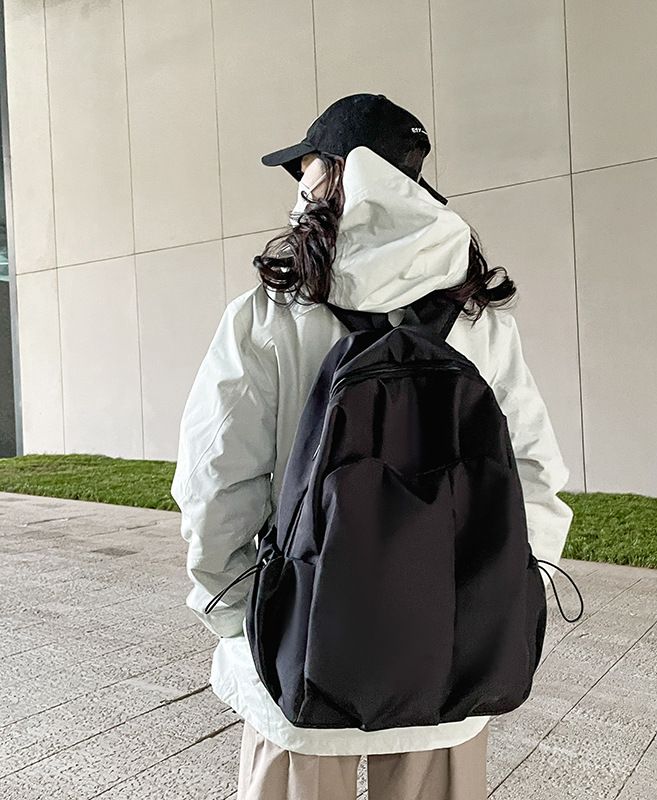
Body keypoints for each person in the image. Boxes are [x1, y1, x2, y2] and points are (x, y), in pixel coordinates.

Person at [171, 93, 573, 800]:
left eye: (305, 168)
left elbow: (216, 482)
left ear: (336, 174)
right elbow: (534, 474)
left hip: (299, 653)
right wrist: (499, 592)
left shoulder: (269, 316)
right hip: (447, 664)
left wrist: (236, 617)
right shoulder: (477, 318)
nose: (299, 186)